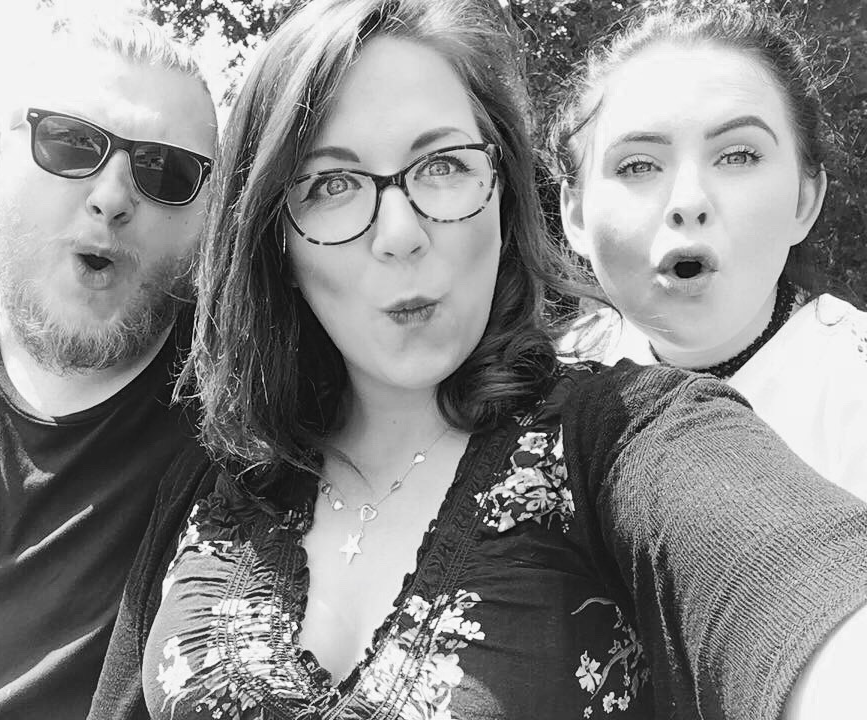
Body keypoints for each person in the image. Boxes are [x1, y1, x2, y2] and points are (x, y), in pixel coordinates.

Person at [88, 0, 867, 718]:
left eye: (443, 166)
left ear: (504, 193)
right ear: (274, 236)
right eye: (332, 183)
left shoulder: (627, 439)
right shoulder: (213, 481)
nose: (399, 233)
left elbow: (805, 593)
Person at [0, 15, 217, 719]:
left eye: (166, 171)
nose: (112, 195)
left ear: (208, 214)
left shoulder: (243, 404)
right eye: (71, 142)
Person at [551, 4, 867, 498]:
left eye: (737, 156)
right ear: (576, 215)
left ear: (804, 200)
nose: (688, 201)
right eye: (638, 165)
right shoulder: (548, 385)